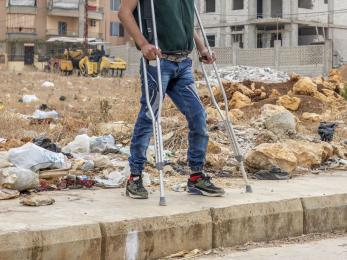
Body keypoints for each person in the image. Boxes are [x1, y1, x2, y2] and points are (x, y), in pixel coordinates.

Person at [119, 0, 225, 199]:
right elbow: (124, 13)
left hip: (183, 64)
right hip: (158, 62)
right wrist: (143, 44)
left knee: (198, 116)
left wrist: (202, 48)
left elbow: (186, 23)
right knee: (150, 116)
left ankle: (196, 177)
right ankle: (134, 178)